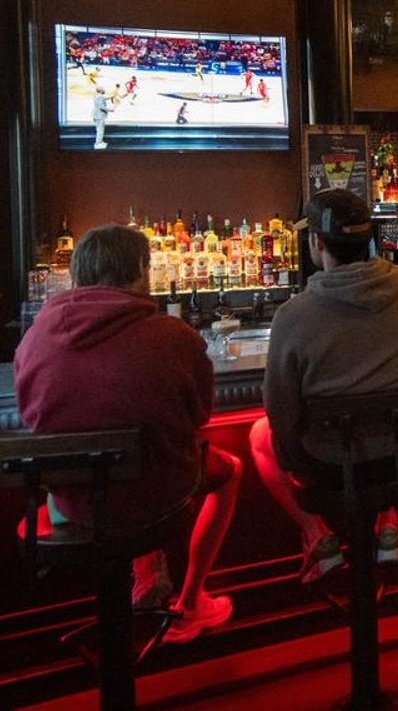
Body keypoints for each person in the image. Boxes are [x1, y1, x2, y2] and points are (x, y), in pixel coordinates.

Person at [14, 225, 241, 643]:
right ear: (139, 268)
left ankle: (144, 579)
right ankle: (191, 601)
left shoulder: (34, 337)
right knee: (224, 469)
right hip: (156, 497)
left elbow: (29, 413)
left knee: (124, 471)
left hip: (73, 504)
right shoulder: (174, 336)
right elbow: (200, 415)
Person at [249, 188, 398, 582]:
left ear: (316, 242)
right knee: (381, 429)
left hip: (327, 468)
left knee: (260, 433)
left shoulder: (293, 315)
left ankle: (317, 534)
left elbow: (279, 412)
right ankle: (387, 521)